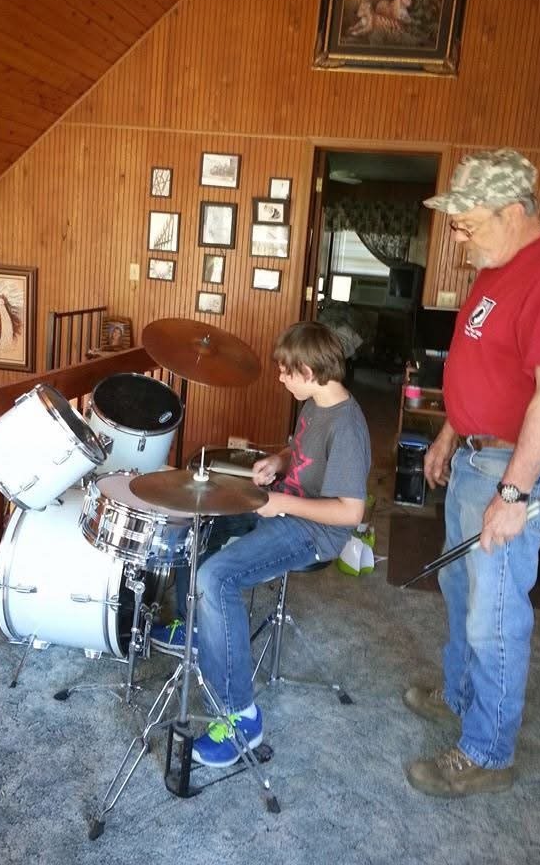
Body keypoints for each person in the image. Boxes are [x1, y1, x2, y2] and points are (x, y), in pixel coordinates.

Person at [403, 149, 540, 797]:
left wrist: (514, 494)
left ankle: (488, 751)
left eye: (466, 223)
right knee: (462, 592)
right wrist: (449, 430)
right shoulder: (495, 267)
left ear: (513, 211)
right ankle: (461, 696)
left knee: (495, 612)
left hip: (514, 468)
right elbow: (482, 364)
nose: (457, 237)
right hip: (475, 455)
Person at [154, 321, 371, 767]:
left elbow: (351, 512)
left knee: (215, 578)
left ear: (310, 371)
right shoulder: (314, 402)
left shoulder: (347, 426)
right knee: (199, 516)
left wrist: (278, 504)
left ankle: (242, 719)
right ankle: (199, 631)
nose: (281, 378)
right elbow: (301, 452)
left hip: (314, 531)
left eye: (287, 372)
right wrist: (278, 459)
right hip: (285, 505)